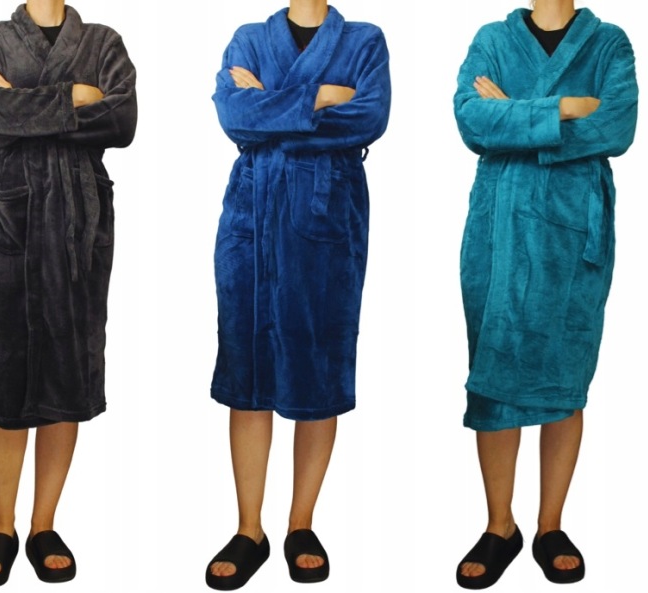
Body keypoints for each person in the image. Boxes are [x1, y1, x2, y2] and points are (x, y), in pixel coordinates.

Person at [206, 0, 390, 588]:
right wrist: (320, 97)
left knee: (318, 367)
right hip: (250, 215)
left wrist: (273, 101)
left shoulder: (364, 39)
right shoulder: (248, 37)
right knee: (247, 372)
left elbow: (369, 117)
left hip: (327, 215)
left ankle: (301, 524)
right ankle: (249, 530)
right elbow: (233, 116)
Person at [453, 0, 637, 588]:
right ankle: (499, 525)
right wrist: (564, 107)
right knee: (492, 374)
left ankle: (550, 525)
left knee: (565, 375)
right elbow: (471, 121)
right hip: (499, 225)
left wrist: (514, 114)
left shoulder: (609, 43)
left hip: (573, 226)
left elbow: (617, 126)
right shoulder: (491, 38)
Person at [0, 0, 136, 586]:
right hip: (4, 212)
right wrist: (74, 97)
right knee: (1, 365)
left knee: (65, 367)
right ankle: (1, 525)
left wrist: (21, 100)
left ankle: (43, 525)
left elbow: (122, 122)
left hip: (78, 216)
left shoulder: (103, 40)